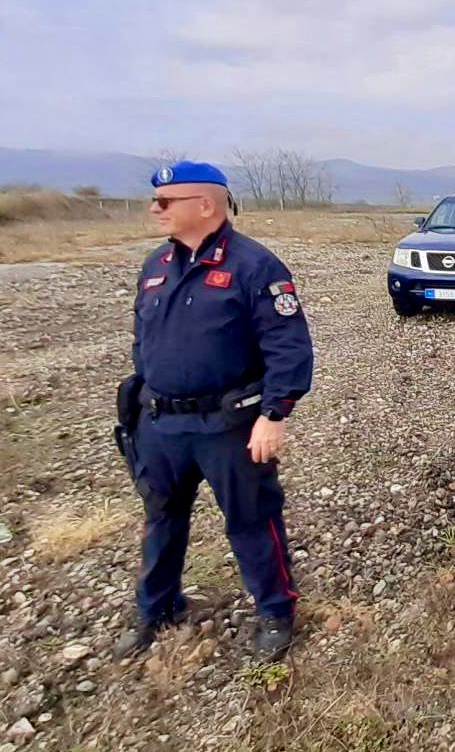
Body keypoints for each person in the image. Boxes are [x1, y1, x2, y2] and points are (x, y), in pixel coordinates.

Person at [113, 161, 313, 660]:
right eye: (155, 200)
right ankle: (157, 608)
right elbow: (145, 340)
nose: (154, 209)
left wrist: (274, 413)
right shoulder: (156, 265)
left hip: (228, 426)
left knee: (251, 519)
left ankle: (274, 611)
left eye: (165, 202)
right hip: (161, 423)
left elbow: (288, 348)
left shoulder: (255, 266)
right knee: (161, 518)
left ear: (205, 205)